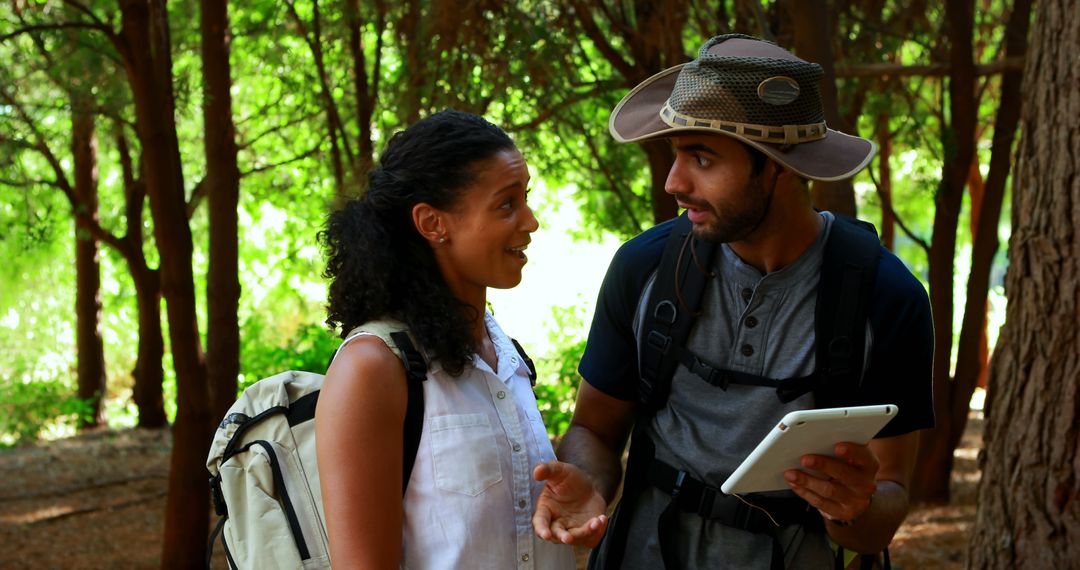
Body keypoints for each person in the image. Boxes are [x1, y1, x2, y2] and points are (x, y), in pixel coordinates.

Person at [531, 34, 934, 569]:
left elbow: (889, 498)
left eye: (702, 158)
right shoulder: (646, 268)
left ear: (779, 167)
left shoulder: (885, 299)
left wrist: (854, 508)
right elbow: (593, 431)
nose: (675, 182)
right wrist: (589, 481)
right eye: (676, 154)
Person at [317, 109, 576, 569]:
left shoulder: (508, 357)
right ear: (432, 223)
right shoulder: (373, 369)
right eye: (506, 204)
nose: (531, 221)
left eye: (526, 198)